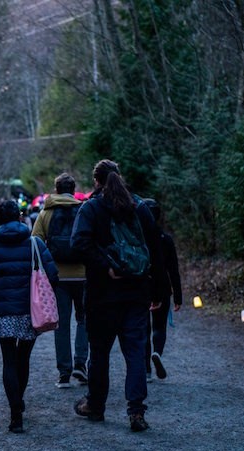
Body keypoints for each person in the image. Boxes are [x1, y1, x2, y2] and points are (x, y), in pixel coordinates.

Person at [70, 159, 165, 432]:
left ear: (96, 182)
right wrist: (158, 290)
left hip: (101, 294)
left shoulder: (92, 208)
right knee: (136, 353)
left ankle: (95, 406)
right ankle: (136, 412)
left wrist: (106, 265)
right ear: (119, 178)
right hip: (137, 293)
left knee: (99, 354)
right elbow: (156, 251)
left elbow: (79, 244)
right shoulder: (140, 207)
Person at [0, 200, 59, 433]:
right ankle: (18, 402)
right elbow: (53, 275)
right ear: (20, 218)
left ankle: (15, 415)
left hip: (5, 314)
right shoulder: (35, 243)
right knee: (23, 359)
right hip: (30, 312)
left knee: (9, 361)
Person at [32, 173, 88, 388]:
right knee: (85, 321)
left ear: (56, 190)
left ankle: (64, 374)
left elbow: (36, 241)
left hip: (58, 277)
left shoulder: (46, 212)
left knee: (61, 324)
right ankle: (80, 364)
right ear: (74, 190)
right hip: (83, 275)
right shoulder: (83, 210)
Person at [142, 198, 182, 381]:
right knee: (159, 326)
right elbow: (173, 269)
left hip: (141, 287)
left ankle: (146, 370)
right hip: (163, 286)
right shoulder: (165, 239)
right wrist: (178, 296)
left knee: (143, 328)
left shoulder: (137, 238)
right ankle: (157, 352)